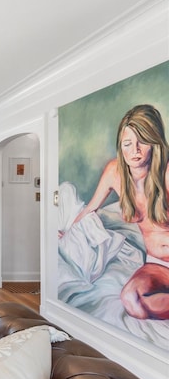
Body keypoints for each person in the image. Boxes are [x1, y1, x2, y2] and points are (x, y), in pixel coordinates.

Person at [70, 104, 169, 319]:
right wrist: (69, 233)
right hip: (157, 264)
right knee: (131, 299)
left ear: (155, 143)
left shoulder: (167, 173)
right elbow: (90, 209)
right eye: (127, 143)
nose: (135, 150)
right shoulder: (114, 172)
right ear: (120, 146)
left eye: (143, 142)